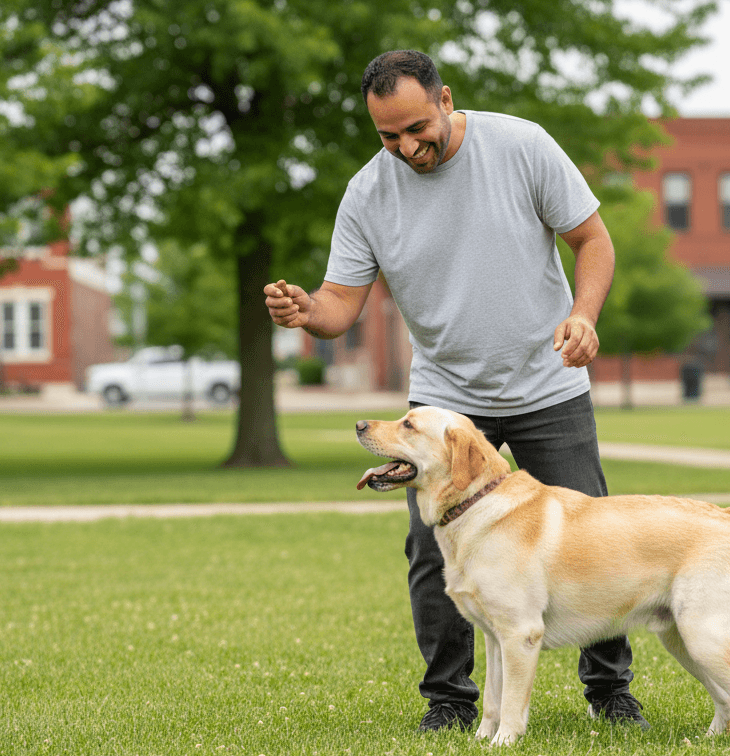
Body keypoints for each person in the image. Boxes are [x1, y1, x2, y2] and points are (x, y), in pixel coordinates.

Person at [264, 50, 645, 733]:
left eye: (417, 127)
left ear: (444, 99)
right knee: (430, 548)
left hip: (545, 383)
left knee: (595, 538)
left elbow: (592, 239)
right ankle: (448, 700)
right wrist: (304, 312)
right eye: (389, 136)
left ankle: (610, 692)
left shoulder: (521, 146)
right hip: (444, 402)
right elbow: (340, 305)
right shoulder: (368, 194)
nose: (407, 147)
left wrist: (583, 313)